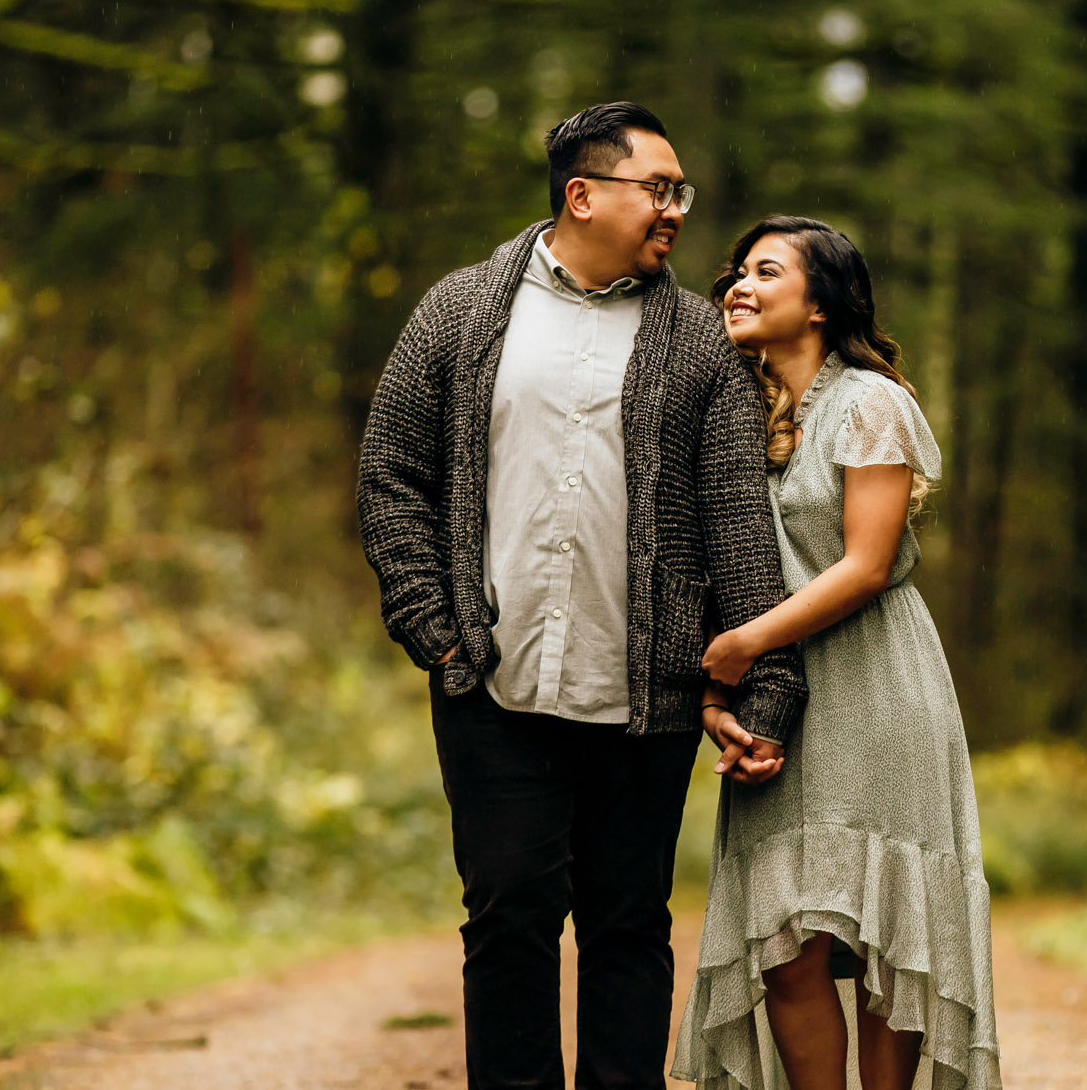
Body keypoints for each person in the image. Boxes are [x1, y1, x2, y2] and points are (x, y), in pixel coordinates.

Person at [356, 103, 805, 1090]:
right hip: (490, 682)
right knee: (507, 920)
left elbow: (734, 519)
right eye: (659, 189)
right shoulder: (461, 310)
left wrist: (761, 686)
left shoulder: (695, 340)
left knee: (628, 926)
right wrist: (434, 629)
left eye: (679, 193)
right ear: (582, 194)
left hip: (643, 693)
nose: (675, 212)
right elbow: (392, 473)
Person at [675, 217, 1001, 1090]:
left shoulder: (871, 401)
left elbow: (862, 565)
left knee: (886, 935)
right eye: (736, 271)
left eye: (766, 271)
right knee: (785, 943)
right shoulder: (731, 412)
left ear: (819, 303)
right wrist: (727, 689)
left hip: (875, 681)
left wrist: (743, 644)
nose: (738, 284)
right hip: (774, 692)